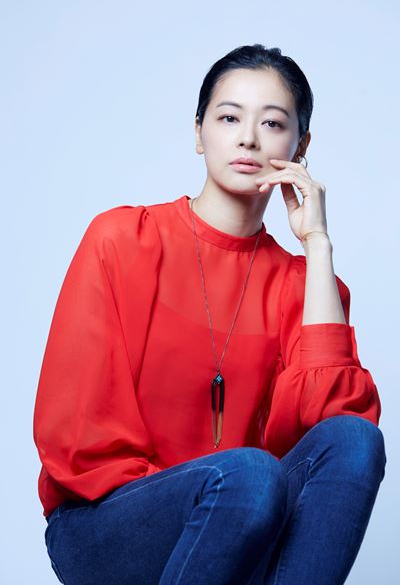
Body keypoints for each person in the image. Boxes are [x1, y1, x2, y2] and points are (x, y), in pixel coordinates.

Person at [33, 44, 386, 585]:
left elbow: (334, 424)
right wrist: (210, 491)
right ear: (199, 133)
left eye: (272, 123)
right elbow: (77, 431)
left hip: (245, 518)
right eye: (228, 118)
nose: (248, 139)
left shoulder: (305, 286)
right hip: (107, 523)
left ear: (300, 146)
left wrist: (317, 243)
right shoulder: (124, 240)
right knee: (248, 474)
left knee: (355, 441)